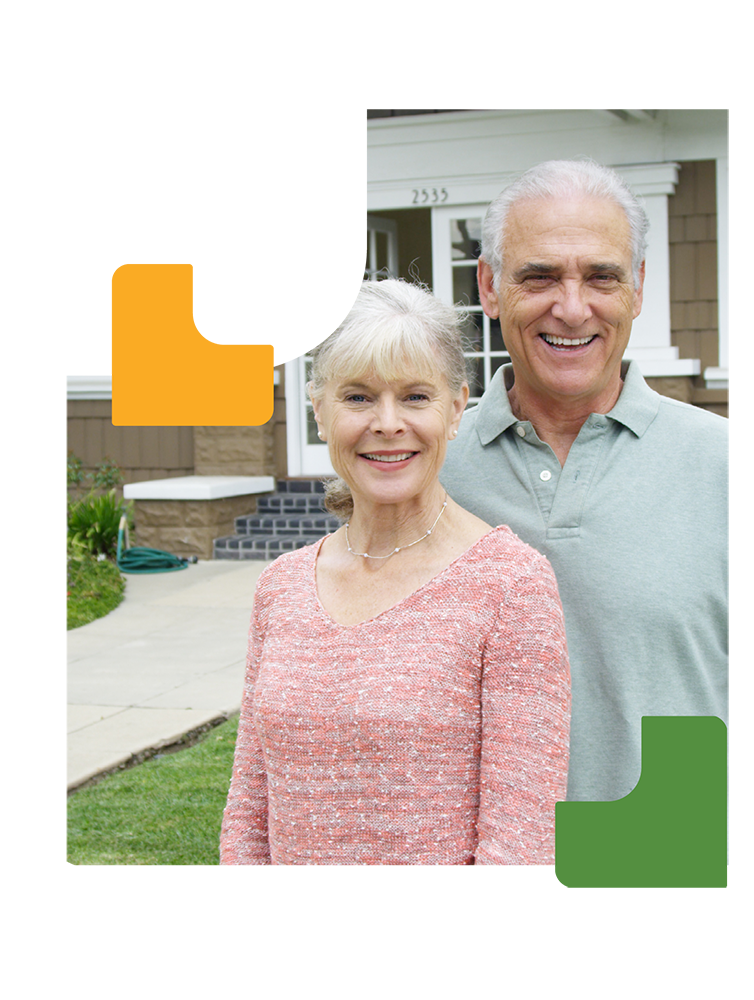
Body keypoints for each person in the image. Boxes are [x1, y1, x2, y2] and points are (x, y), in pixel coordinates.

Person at [219, 279, 570, 878]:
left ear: (456, 408)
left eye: (414, 397)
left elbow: (521, 842)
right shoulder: (280, 587)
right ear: (319, 411)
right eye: (357, 398)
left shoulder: (510, 586)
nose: (387, 424)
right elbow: (250, 810)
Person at [440, 159, 728, 804]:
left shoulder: (734, 469)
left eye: (601, 276)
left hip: (668, 864)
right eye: (539, 276)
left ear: (638, 288)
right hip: (472, 867)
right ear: (488, 287)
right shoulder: (426, 471)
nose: (572, 309)